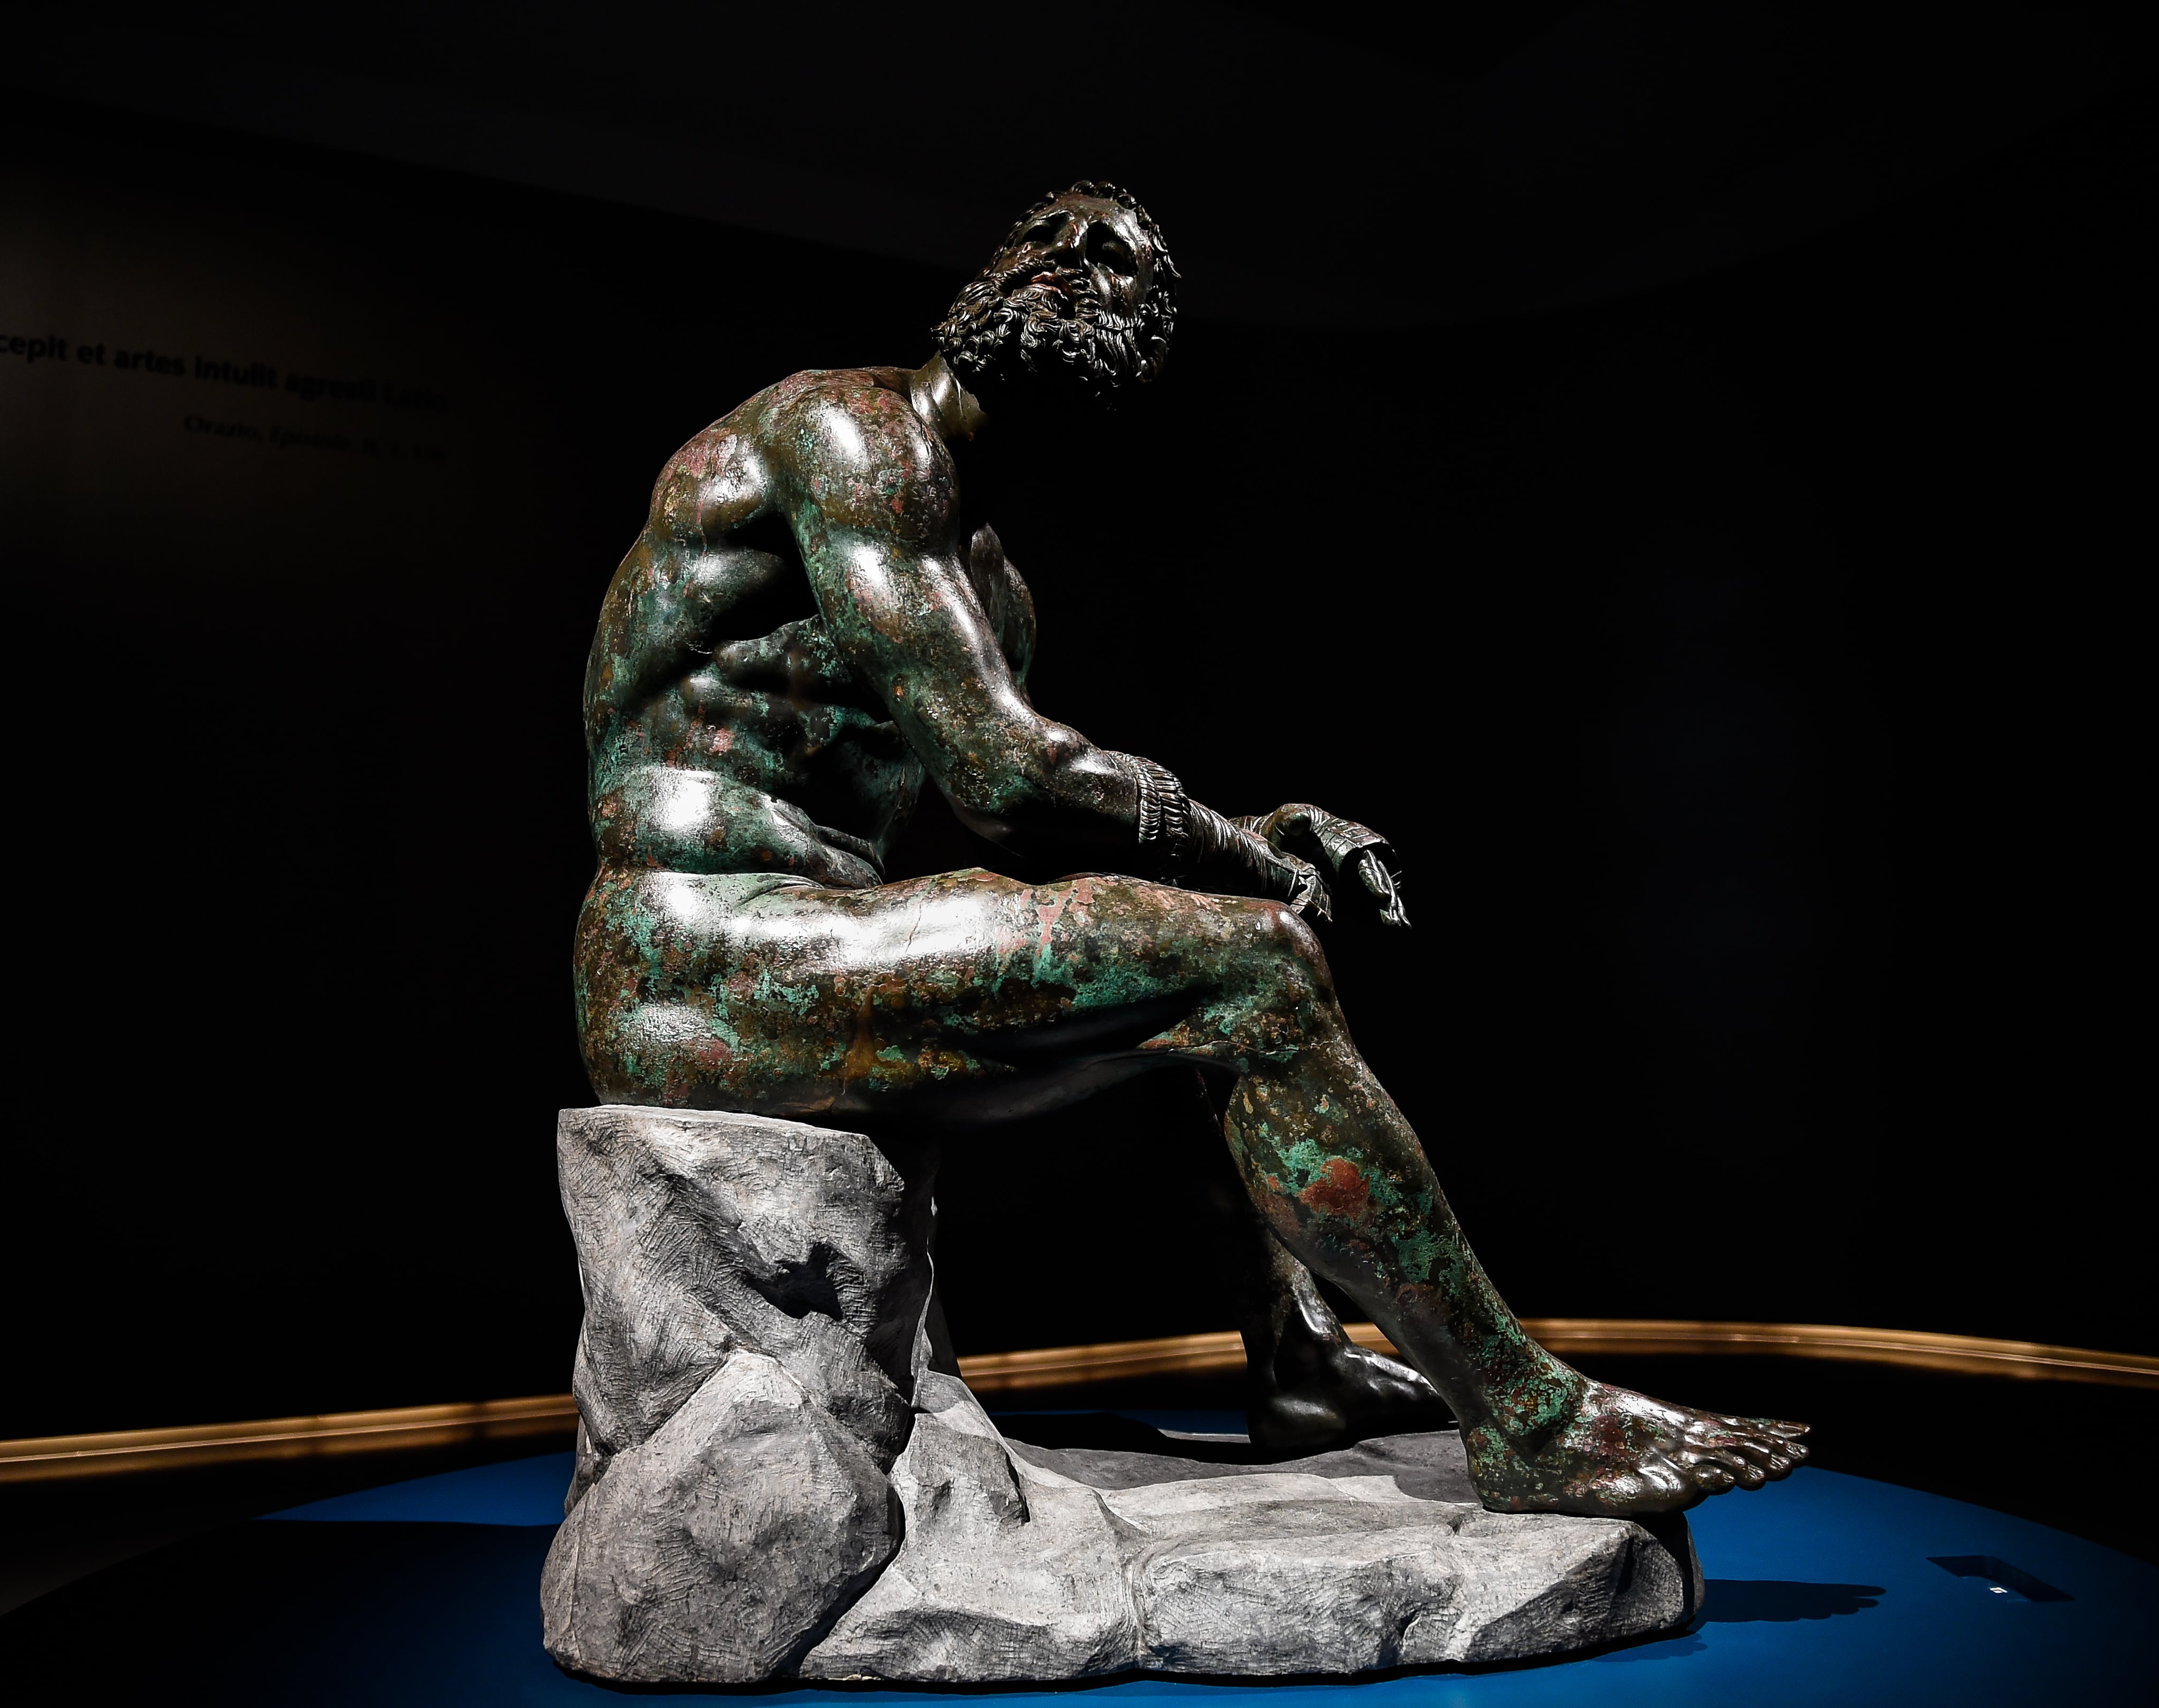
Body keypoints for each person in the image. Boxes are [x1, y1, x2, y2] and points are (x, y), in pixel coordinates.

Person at [575, 182, 1805, 1514]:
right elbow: (1007, 773)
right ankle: (1525, 1411)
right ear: (1000, 265)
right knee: (1255, 967)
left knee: (1184, 989)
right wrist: (1250, 863)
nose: (1079, 259)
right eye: (1058, 235)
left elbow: (1039, 784)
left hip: (798, 951)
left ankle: (1299, 1361)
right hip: (694, 960)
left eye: (1128, 266)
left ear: (1149, 347)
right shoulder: (847, 433)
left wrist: (1230, 848)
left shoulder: (990, 584)